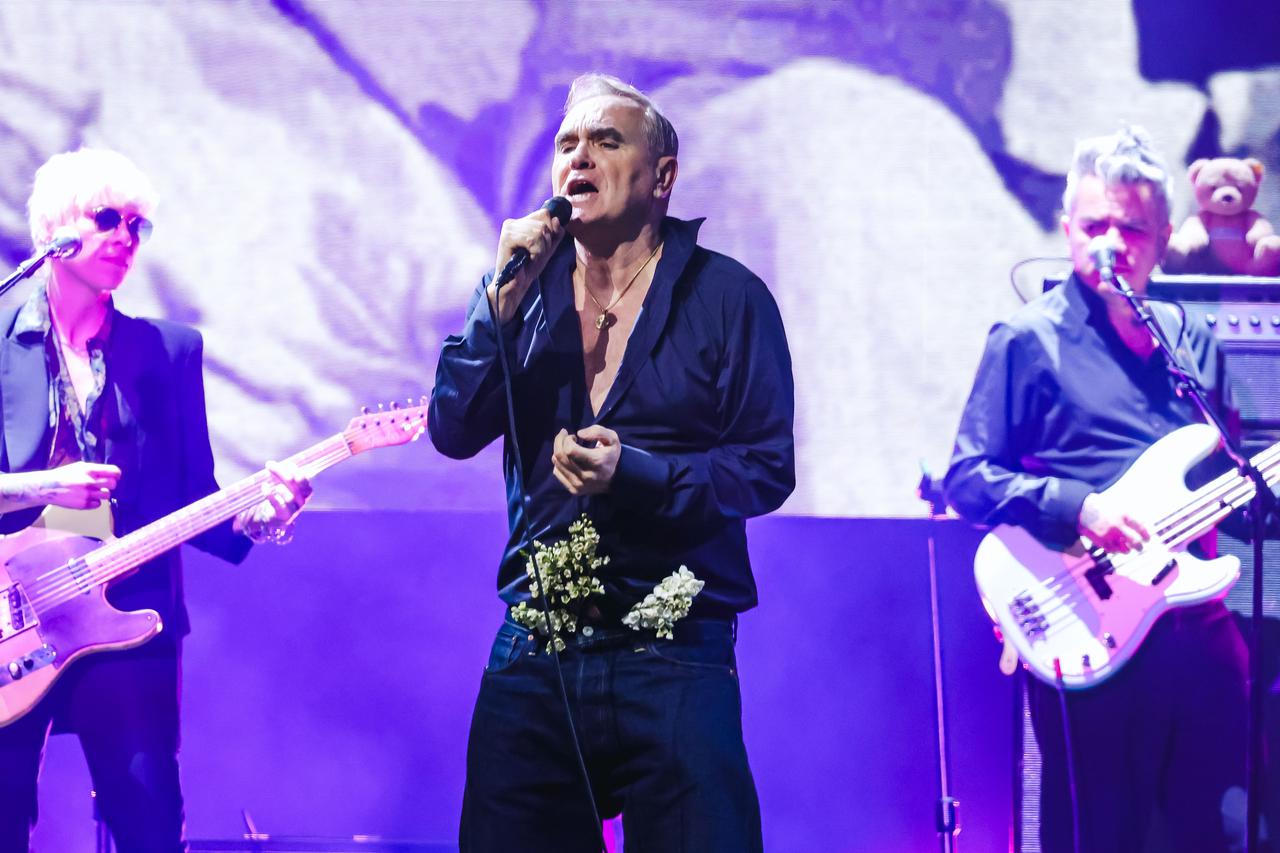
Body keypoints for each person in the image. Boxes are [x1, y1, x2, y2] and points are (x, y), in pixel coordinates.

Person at [429, 73, 794, 852]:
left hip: (675, 646)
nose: (579, 157)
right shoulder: (517, 292)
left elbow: (766, 464)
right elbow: (452, 430)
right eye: (567, 144)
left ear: (662, 176)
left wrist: (641, 472)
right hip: (537, 648)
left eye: (606, 140)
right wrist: (494, 307)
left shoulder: (728, 297)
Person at [945, 127, 1250, 852]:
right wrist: (1078, 504)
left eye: (1131, 227)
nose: (1112, 241)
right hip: (1089, 621)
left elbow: (1232, 471)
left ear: (1164, 237)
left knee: (1222, 827)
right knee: (1099, 834)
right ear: (1067, 230)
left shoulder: (1192, 338)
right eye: (1094, 226)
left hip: (1196, 625)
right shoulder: (1026, 339)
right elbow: (968, 475)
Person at [0, 147, 311, 851]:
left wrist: (262, 518)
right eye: (107, 218)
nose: (125, 239)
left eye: (138, 226)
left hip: (124, 614)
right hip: (10, 615)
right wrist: (40, 486)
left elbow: (192, 495)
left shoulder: (168, 351)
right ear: (54, 230)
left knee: (147, 818)